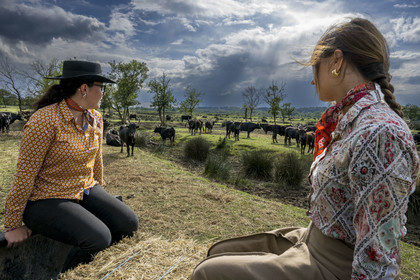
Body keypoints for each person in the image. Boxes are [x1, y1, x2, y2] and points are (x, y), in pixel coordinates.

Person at [191, 18, 419, 280]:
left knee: (207, 273)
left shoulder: (379, 133)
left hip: (335, 264)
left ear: (336, 61)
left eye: (314, 68)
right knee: (218, 251)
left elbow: (377, 260)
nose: (312, 81)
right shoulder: (349, 120)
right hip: (313, 238)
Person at [3, 60, 139, 272]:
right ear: (84, 88)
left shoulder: (95, 117)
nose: (103, 93)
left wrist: (101, 193)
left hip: (84, 188)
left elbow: (96, 159)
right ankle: (70, 275)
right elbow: (25, 174)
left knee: (129, 223)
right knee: (98, 238)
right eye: (101, 87)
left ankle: (105, 271)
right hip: (46, 198)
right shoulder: (44, 120)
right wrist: (12, 224)